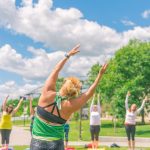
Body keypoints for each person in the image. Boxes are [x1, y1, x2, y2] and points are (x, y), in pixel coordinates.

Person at [30, 44, 108, 150]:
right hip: (56, 145)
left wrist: (67, 55)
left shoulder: (47, 93)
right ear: (74, 92)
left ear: (63, 84)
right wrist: (100, 75)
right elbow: (89, 93)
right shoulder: (71, 105)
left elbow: (55, 70)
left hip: (37, 144)